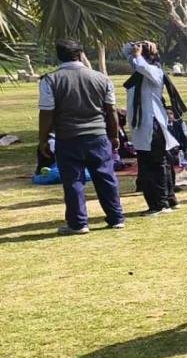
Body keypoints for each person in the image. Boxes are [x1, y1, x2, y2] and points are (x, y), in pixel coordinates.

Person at [37, 39, 125, 234]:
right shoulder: (102, 78)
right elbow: (111, 110)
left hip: (67, 137)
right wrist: (114, 135)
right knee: (106, 177)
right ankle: (116, 217)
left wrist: (43, 139)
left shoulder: (50, 80)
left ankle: (78, 223)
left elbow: (46, 113)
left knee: (73, 182)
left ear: (59, 56)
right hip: (97, 135)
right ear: (80, 54)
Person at [125, 41, 179, 215]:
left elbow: (142, 66)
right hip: (144, 125)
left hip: (152, 124)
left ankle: (160, 204)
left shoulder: (154, 71)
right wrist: (137, 48)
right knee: (158, 164)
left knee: (153, 166)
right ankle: (169, 199)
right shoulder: (141, 72)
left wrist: (139, 55)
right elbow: (127, 53)